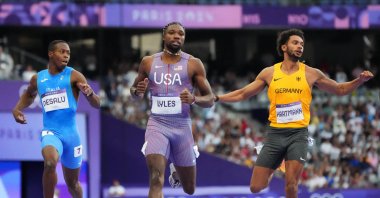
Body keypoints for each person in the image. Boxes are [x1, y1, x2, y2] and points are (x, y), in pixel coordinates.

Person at [215, 29, 373, 197]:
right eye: (295, 43)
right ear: (284, 47)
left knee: (291, 185)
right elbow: (242, 93)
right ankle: (278, 162)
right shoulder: (269, 73)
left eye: (302, 44)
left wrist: (359, 81)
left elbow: (340, 89)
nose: (300, 47)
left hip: (298, 135)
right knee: (256, 186)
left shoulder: (310, 73)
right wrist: (218, 98)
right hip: (275, 135)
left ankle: (286, 161)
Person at [130, 22, 214, 197]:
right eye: (172, 33)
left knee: (189, 189)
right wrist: (137, 92)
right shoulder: (148, 62)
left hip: (182, 127)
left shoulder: (193, 64)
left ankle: (175, 167)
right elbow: (134, 92)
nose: (177, 36)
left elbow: (210, 99)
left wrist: (194, 99)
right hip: (157, 125)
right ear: (163, 36)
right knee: (155, 179)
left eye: (181, 34)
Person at [12, 40, 100, 198]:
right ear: (51, 54)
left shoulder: (74, 75)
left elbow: (97, 104)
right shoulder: (38, 79)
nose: (66, 56)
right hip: (51, 133)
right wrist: (18, 108)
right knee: (50, 162)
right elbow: (29, 95)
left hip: (72, 136)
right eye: (62, 51)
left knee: (73, 184)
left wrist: (90, 94)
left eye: (68, 53)